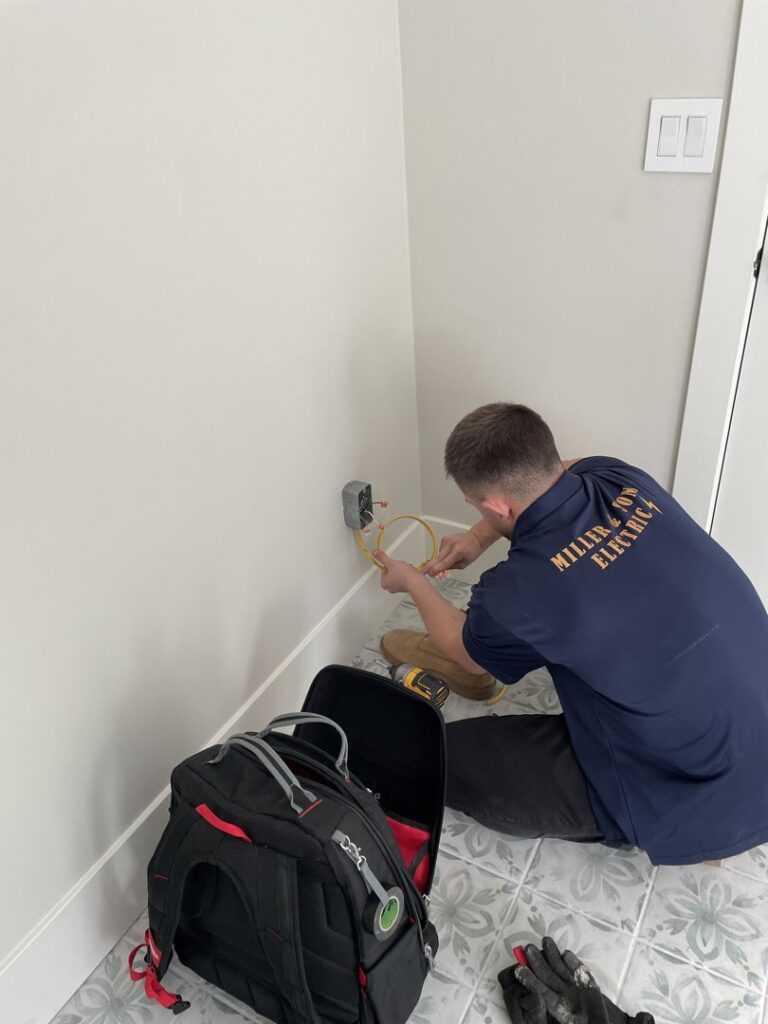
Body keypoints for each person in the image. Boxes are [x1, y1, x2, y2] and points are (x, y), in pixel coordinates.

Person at [375, 402, 768, 865]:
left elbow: (466, 651)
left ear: (495, 504)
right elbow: (564, 469)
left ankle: (690, 832)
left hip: (686, 788)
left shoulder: (519, 589)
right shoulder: (620, 478)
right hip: (749, 712)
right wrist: (479, 536)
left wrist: (413, 582)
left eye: (475, 505)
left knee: (442, 756)